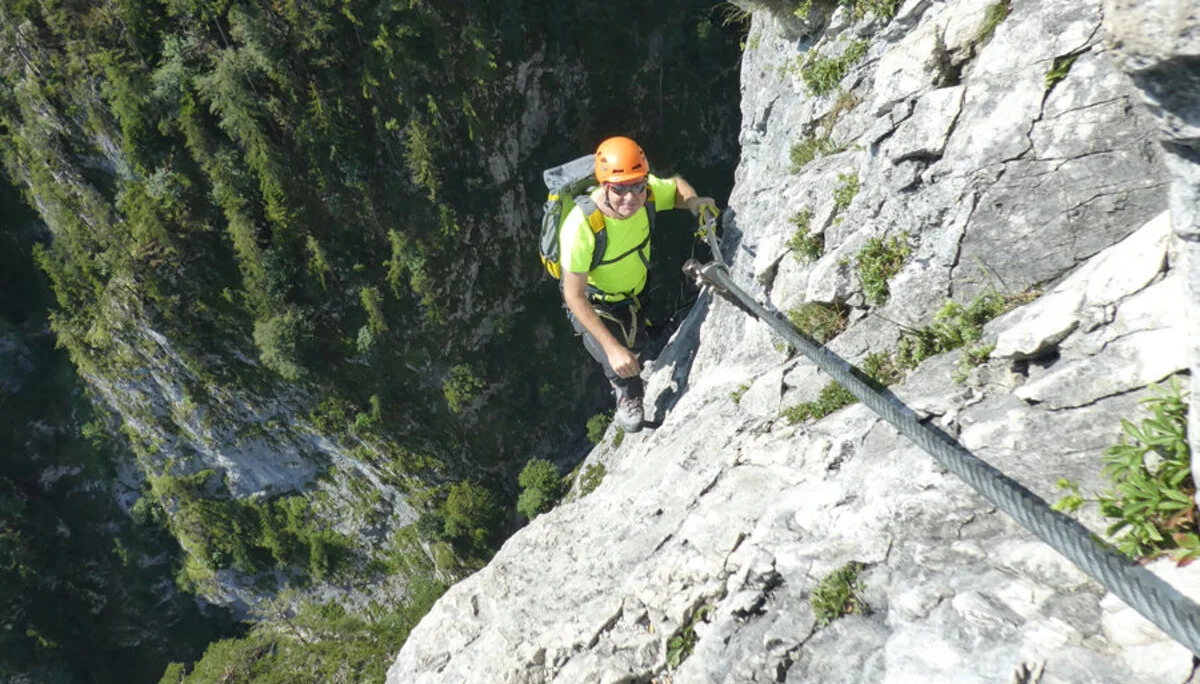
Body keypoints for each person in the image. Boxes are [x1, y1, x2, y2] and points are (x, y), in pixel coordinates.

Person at [558, 136, 718, 433]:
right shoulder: (581, 226)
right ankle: (627, 394)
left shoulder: (647, 193)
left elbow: (677, 185)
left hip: (635, 289)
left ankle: (639, 351)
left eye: (638, 186)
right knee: (620, 358)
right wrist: (613, 349)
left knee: (639, 342)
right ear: (604, 185)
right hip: (596, 303)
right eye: (619, 189)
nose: (630, 198)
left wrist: (693, 202)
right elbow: (573, 295)